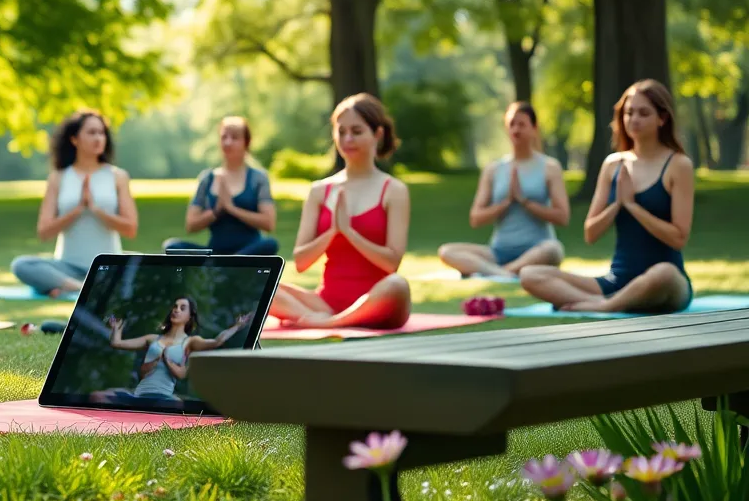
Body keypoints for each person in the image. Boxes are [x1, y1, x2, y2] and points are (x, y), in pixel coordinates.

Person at [521, 80, 695, 314]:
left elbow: (678, 238)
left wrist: (633, 207)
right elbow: (590, 233)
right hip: (615, 281)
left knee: (664, 273)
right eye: (629, 113)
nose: (634, 119)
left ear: (662, 119)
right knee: (530, 274)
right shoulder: (613, 165)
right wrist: (616, 205)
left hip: (664, 282)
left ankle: (606, 306)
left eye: (644, 113)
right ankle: (613, 302)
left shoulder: (678, 165)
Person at [269, 93, 413, 329]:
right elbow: (302, 261)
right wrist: (333, 232)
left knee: (398, 285)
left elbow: (391, 263)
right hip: (325, 303)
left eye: (357, 131)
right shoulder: (319, 191)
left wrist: (349, 232)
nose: (348, 139)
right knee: (261, 284)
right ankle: (325, 319)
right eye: (341, 131)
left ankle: (327, 324)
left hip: (377, 299)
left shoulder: (394, 190)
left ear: (377, 134)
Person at [10, 110, 139, 297]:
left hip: (107, 266)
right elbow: (44, 232)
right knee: (21, 265)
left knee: (146, 267)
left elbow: (131, 229)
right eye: (91, 132)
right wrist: (78, 209)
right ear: (74, 139)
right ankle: (79, 287)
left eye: (101, 133)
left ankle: (60, 289)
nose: (98, 138)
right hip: (67, 267)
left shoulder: (117, 176)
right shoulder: (59, 177)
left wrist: (95, 209)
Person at [437, 102, 569, 279]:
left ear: (534, 128)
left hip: (537, 249)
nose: (516, 130)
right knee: (447, 251)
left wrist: (524, 201)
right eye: (511, 124)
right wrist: (505, 203)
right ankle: (505, 272)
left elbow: (562, 217)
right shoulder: (493, 169)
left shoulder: (550, 167)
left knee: (554, 249)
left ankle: (503, 271)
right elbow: (476, 218)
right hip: (498, 252)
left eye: (521, 124)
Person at [92, 297, 253, 403]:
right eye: (175, 307)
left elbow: (218, 341)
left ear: (190, 316)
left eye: (183, 308)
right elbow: (117, 343)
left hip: (164, 398)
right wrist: (116, 328)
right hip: (139, 395)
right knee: (97, 396)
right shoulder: (152, 338)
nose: (176, 310)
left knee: (181, 406)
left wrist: (237, 326)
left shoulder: (190, 342)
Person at [163, 116, 280, 256]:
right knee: (172, 246)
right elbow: (191, 225)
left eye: (234, 137)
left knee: (270, 244)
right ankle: (226, 266)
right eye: (224, 137)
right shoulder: (207, 178)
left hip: (249, 252)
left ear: (246, 143)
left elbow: (268, 223)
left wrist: (232, 208)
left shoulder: (258, 178)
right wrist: (217, 210)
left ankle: (228, 266)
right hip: (216, 252)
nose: (228, 142)